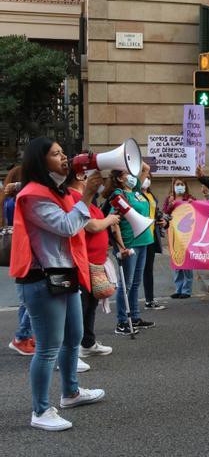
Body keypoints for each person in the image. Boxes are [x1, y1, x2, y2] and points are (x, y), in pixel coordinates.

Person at [11, 138, 106, 431]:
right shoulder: (32, 196)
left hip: (64, 275)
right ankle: (40, 410)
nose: (64, 157)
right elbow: (66, 225)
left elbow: (76, 223)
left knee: (74, 336)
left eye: (64, 152)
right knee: (48, 348)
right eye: (56, 154)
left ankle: (71, 392)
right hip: (41, 279)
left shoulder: (58, 192)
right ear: (41, 162)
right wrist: (87, 196)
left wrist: (85, 192)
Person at [68, 171, 118, 359]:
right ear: (81, 178)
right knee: (82, 306)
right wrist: (110, 220)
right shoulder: (75, 197)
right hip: (84, 262)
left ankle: (88, 342)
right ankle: (75, 348)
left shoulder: (86, 199)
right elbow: (91, 226)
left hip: (95, 262)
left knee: (90, 305)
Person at [103, 166, 155, 335]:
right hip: (130, 243)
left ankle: (135, 317)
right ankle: (122, 321)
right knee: (126, 284)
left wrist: (132, 162)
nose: (132, 175)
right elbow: (114, 221)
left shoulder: (136, 191)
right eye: (127, 173)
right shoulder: (120, 195)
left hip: (144, 241)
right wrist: (121, 247)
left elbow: (145, 169)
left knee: (135, 283)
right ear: (119, 178)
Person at [5, 166, 35, 356]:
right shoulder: (21, 199)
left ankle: (24, 335)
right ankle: (22, 336)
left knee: (27, 300)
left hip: (23, 251)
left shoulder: (12, 199)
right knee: (33, 298)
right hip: (27, 251)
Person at [163, 177, 195, 299]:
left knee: (186, 262)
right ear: (173, 186)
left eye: (182, 184)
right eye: (177, 184)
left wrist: (193, 204)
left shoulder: (189, 198)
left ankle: (186, 290)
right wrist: (170, 205)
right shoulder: (169, 199)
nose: (180, 186)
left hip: (187, 234)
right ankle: (178, 288)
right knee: (177, 262)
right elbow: (165, 214)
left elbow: (197, 211)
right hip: (174, 234)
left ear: (185, 186)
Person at [140, 174, 166, 310]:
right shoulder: (135, 194)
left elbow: (157, 213)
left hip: (151, 236)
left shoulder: (151, 195)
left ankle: (149, 299)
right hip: (139, 237)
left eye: (149, 178)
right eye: (145, 177)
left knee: (148, 269)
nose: (147, 180)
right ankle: (129, 301)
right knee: (135, 271)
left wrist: (163, 220)